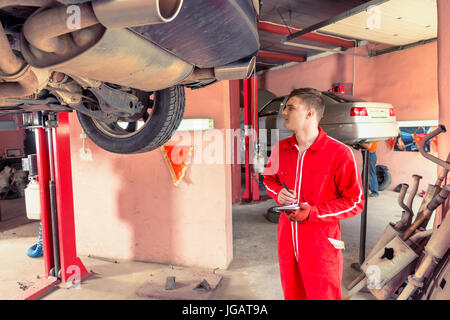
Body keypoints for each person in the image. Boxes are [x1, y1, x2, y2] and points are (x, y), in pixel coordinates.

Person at [263, 88, 365, 300]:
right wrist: (279, 192)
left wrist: (313, 213)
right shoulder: (282, 148)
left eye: (290, 107)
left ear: (310, 113)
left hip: (322, 242)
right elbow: (269, 179)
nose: (284, 112)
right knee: (292, 293)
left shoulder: (339, 153)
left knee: (323, 295)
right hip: (287, 239)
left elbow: (354, 201)